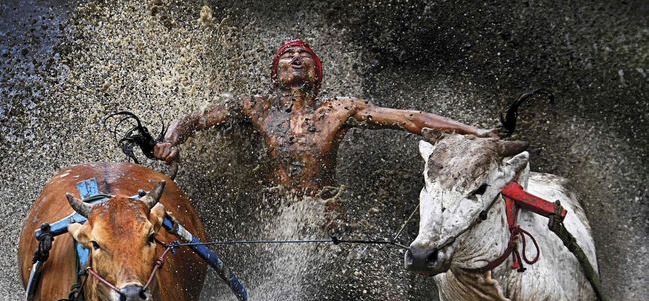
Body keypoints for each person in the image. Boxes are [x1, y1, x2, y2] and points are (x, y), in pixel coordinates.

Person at [154, 39, 498, 197]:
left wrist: (474, 130)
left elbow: (411, 119)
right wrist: (170, 141)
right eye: (289, 55)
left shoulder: (338, 110)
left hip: (325, 213)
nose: (297, 58)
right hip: (279, 215)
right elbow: (196, 119)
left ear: (317, 74)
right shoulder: (257, 108)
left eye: (305, 55)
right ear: (277, 74)